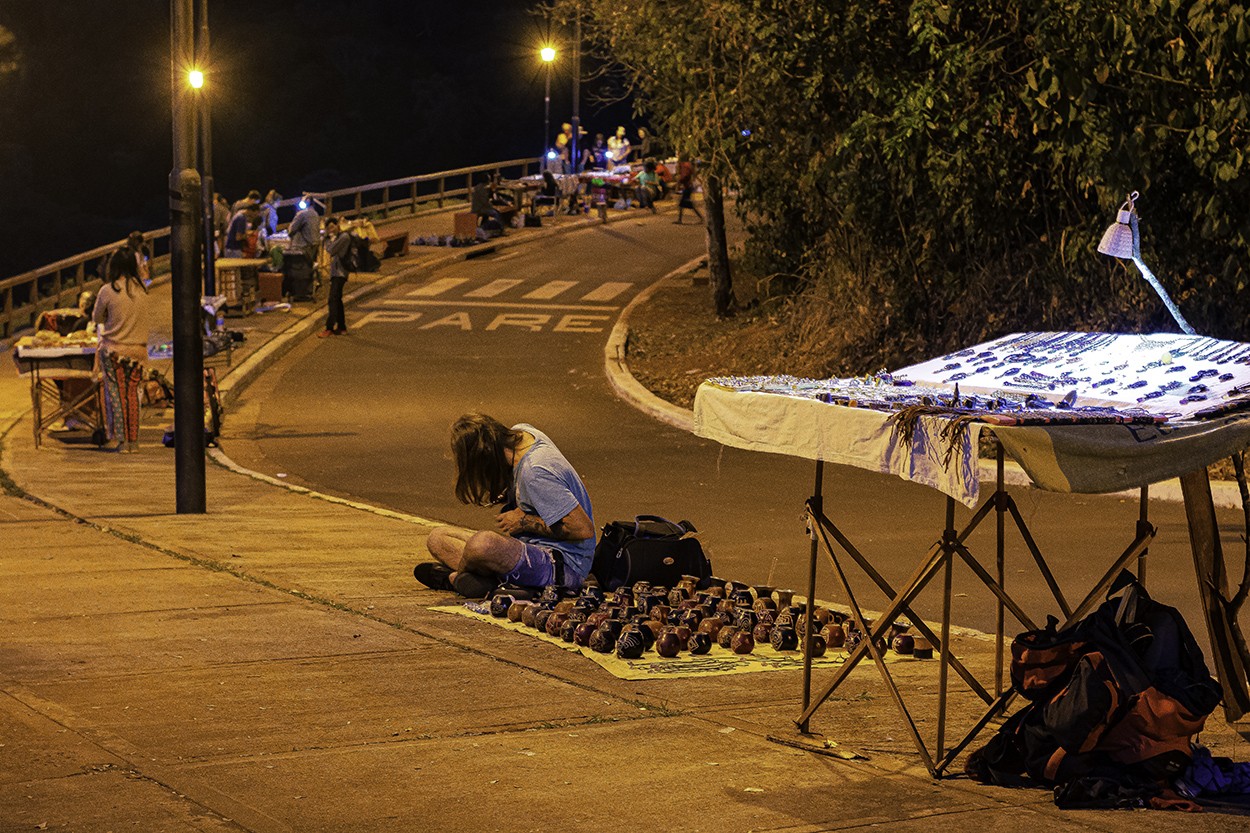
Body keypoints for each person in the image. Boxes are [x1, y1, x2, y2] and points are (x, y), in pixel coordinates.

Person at [414, 414, 595, 598]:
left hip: (563, 566)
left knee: (482, 544)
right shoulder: (522, 433)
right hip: (527, 548)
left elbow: (583, 530)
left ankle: (459, 578)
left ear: (485, 457)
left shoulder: (535, 472)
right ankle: (485, 580)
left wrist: (523, 521)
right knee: (438, 538)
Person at [91, 248, 150, 452]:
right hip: (138, 353)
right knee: (133, 394)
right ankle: (134, 441)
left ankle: (121, 441)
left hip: (114, 350)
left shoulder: (108, 290)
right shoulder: (142, 288)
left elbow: (96, 318)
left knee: (116, 394)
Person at [318, 217, 351, 337]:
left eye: (332, 227)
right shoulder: (337, 238)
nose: (330, 230)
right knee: (337, 300)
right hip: (335, 272)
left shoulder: (344, 237)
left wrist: (327, 239)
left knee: (332, 300)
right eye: (328, 228)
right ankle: (342, 327)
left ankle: (329, 328)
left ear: (337, 225)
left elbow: (331, 250)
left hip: (341, 273)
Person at [674, 156, 704, 225]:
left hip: (687, 187)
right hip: (688, 187)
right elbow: (693, 173)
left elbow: (683, 176)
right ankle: (680, 219)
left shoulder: (684, 166)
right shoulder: (688, 165)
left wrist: (678, 184)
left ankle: (701, 218)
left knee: (687, 205)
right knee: (683, 205)